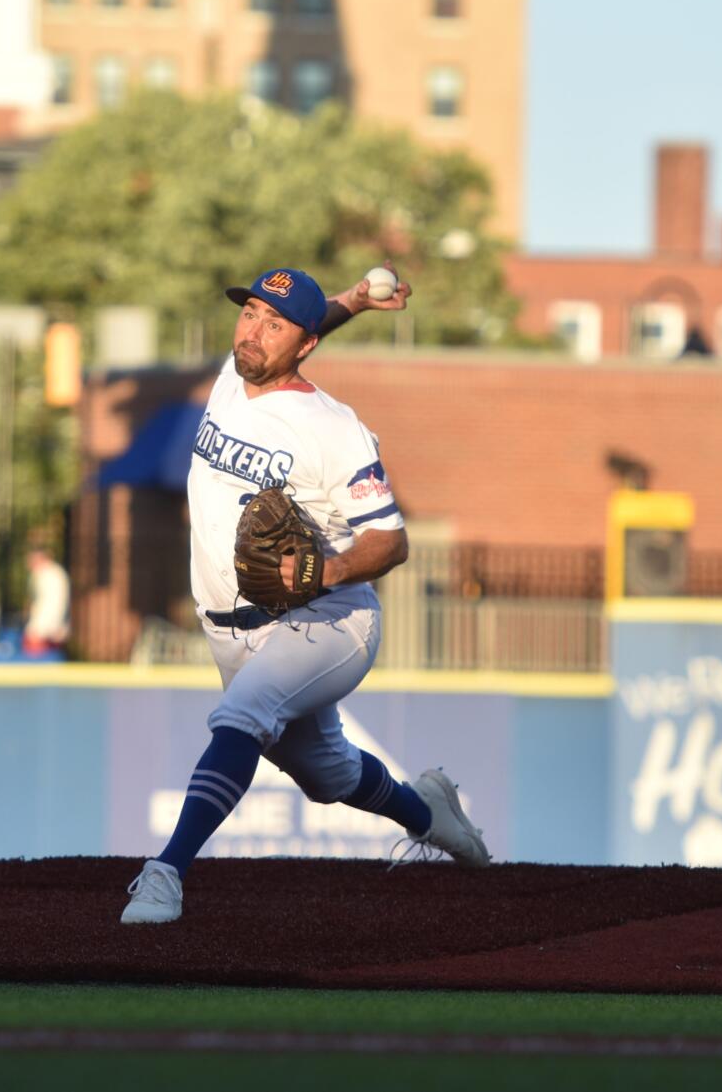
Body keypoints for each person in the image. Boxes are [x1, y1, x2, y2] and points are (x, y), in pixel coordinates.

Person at [122, 266, 489, 925]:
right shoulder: (233, 379)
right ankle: (429, 812)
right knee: (327, 775)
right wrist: (349, 299)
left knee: (242, 715)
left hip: (327, 618)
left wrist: (323, 573)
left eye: (276, 323)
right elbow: (289, 333)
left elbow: (391, 541)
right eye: (250, 313)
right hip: (228, 627)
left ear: (305, 344)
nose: (255, 332)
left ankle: (166, 872)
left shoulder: (334, 428)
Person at [22, 546, 70, 656]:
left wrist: (40, 628)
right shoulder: (42, 575)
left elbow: (54, 604)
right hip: (48, 626)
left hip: (46, 627)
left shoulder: (51, 575)